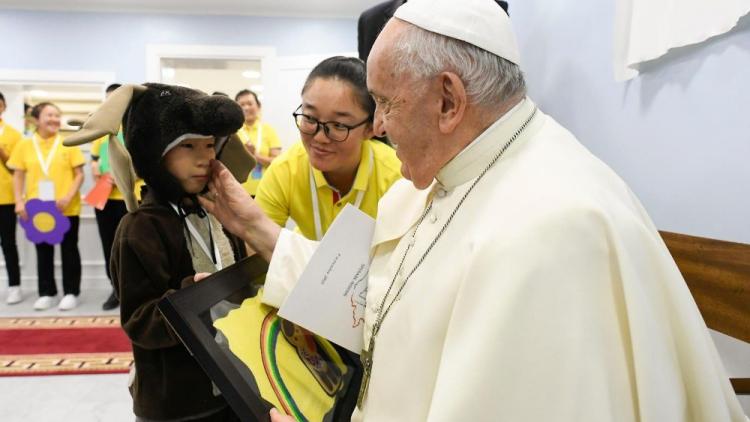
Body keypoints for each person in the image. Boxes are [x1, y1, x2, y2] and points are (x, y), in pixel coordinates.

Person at [203, 0, 748, 421]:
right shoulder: (444, 177)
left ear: (448, 100)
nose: (380, 129)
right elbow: (380, 299)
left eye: (387, 103)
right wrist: (253, 224)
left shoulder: (549, 229)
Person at [82, 84, 252, 421]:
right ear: (154, 151)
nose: (204, 158)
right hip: (175, 399)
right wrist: (195, 297)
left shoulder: (219, 211)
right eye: (187, 146)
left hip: (232, 382)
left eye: (209, 145)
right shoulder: (140, 228)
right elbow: (139, 320)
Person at [256, 56, 402, 241]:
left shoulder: (397, 178)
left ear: (370, 128)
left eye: (339, 125)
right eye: (309, 118)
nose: (319, 138)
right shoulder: (285, 171)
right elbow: (258, 250)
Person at [8, 102, 85, 311]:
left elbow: (79, 174)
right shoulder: (24, 145)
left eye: (57, 116)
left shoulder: (68, 142)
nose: (54, 119)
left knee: (69, 250)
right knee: (43, 251)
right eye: (49, 115)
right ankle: (47, 292)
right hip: (36, 209)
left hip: (66, 208)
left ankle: (71, 292)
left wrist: (68, 196)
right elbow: (18, 175)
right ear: (36, 119)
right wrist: (18, 201)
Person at [89, 83, 127, 310]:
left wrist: (122, 174)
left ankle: (131, 289)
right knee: (109, 245)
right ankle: (115, 288)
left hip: (129, 199)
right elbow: (95, 159)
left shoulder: (136, 129)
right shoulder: (101, 131)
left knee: (129, 246)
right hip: (104, 198)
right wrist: (95, 168)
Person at [234, 89, 282, 196]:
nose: (246, 108)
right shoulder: (232, 132)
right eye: (242, 105)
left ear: (258, 106)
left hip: (265, 190)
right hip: (238, 192)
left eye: (250, 104)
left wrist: (255, 155)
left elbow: (277, 162)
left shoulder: (268, 130)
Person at [0, 91, 23, 304]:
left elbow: (15, 168)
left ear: (4, 107)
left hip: (5, 198)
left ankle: (14, 286)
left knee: (8, 243)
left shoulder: (14, 135)